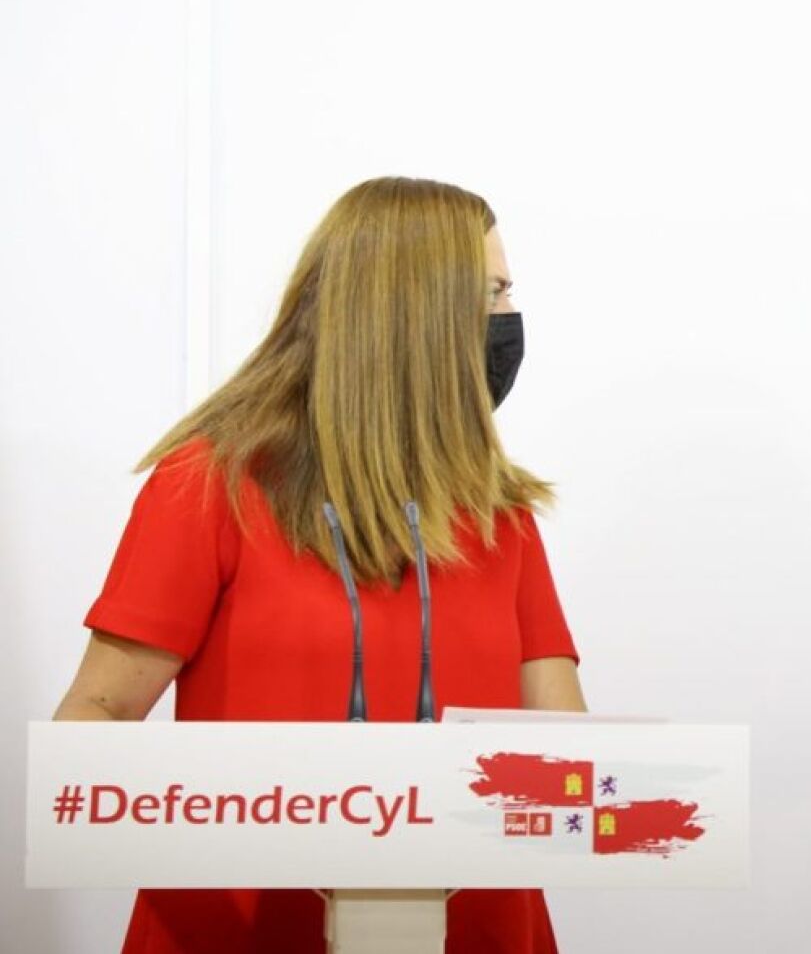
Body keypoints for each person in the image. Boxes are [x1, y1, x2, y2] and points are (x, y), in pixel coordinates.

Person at [52, 177, 586, 954]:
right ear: (415, 311)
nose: (508, 318)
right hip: (237, 933)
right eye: (492, 293)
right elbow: (95, 716)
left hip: (475, 931)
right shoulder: (210, 486)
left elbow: (569, 759)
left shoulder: (500, 513)